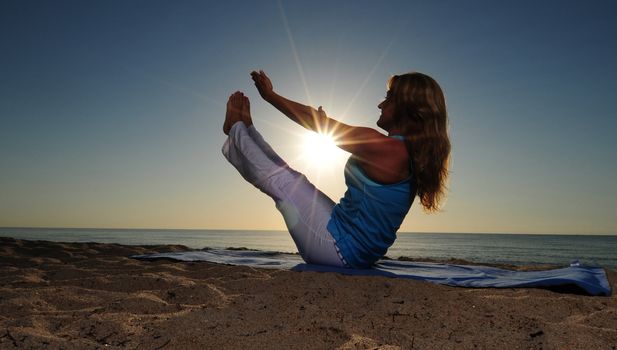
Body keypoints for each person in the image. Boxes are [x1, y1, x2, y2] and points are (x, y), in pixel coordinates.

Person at [222, 70, 450, 269]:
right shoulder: (405, 152)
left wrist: (270, 96)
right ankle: (246, 131)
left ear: (406, 107)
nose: (381, 104)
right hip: (351, 241)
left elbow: (318, 125)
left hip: (340, 250)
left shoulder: (390, 150)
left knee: (283, 183)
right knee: (293, 180)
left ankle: (237, 129)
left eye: (389, 98)